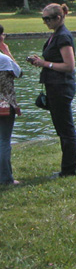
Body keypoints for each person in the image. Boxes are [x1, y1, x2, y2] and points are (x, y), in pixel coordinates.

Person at [27, 4, 76, 178]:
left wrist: (44, 64)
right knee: (62, 128)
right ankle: (68, 167)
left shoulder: (63, 36)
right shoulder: (56, 35)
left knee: (66, 129)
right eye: (43, 19)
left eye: (48, 19)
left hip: (61, 87)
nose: (45, 22)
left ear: (59, 18)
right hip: (54, 86)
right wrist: (40, 61)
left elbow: (69, 66)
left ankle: (69, 169)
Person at [0, 25, 22, 186]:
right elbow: (19, 72)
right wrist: (7, 51)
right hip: (5, 105)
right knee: (3, 141)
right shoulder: (4, 60)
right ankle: (6, 178)